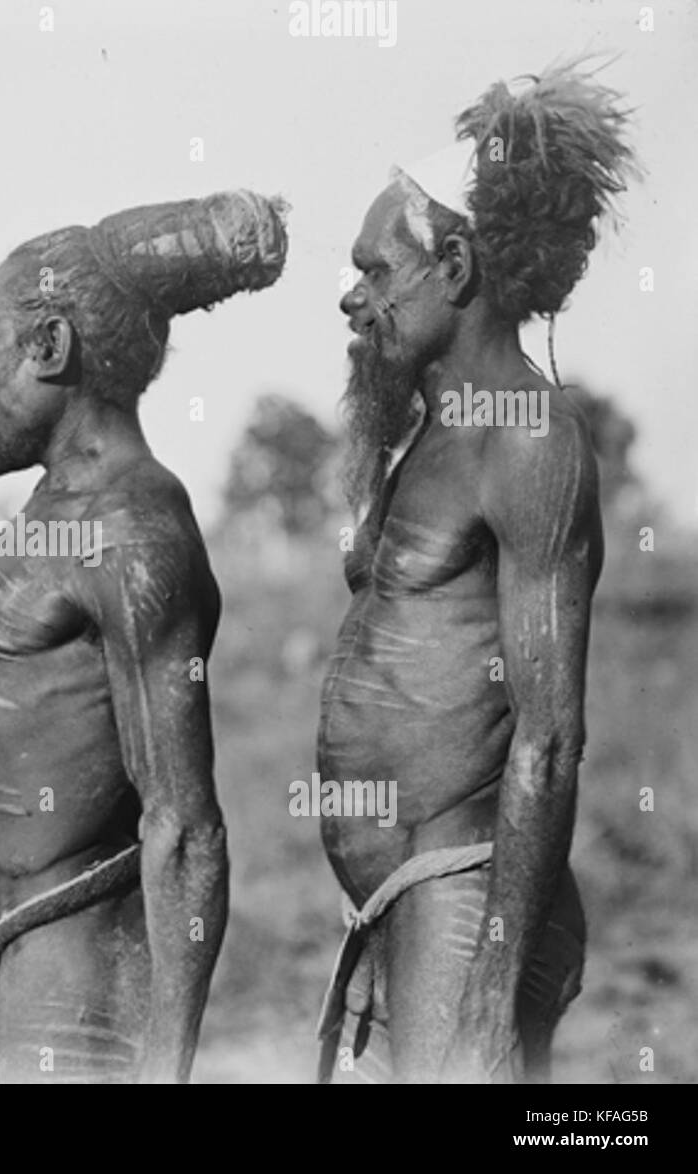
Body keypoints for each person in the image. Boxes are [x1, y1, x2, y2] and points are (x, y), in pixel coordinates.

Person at [0, 191, 288, 1083]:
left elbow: (186, 825)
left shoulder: (133, 523)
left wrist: (167, 1071)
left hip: (75, 995)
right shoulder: (58, 509)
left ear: (49, 347)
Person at [316, 61, 638, 1083]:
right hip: (397, 905)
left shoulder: (529, 439)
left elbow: (547, 738)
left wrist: (492, 999)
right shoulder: (436, 433)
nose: (350, 296)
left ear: (452, 269)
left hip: (466, 908)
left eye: (375, 272)